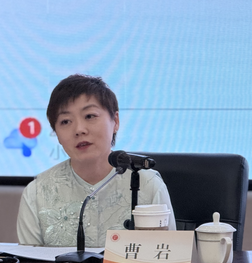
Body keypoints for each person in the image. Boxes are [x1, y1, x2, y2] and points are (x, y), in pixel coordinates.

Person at [17, 74, 176, 247]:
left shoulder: (147, 184)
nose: (79, 130)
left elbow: (167, 256)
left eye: (90, 116)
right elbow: (29, 262)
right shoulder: (37, 193)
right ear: (56, 133)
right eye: (66, 121)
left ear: (115, 121)